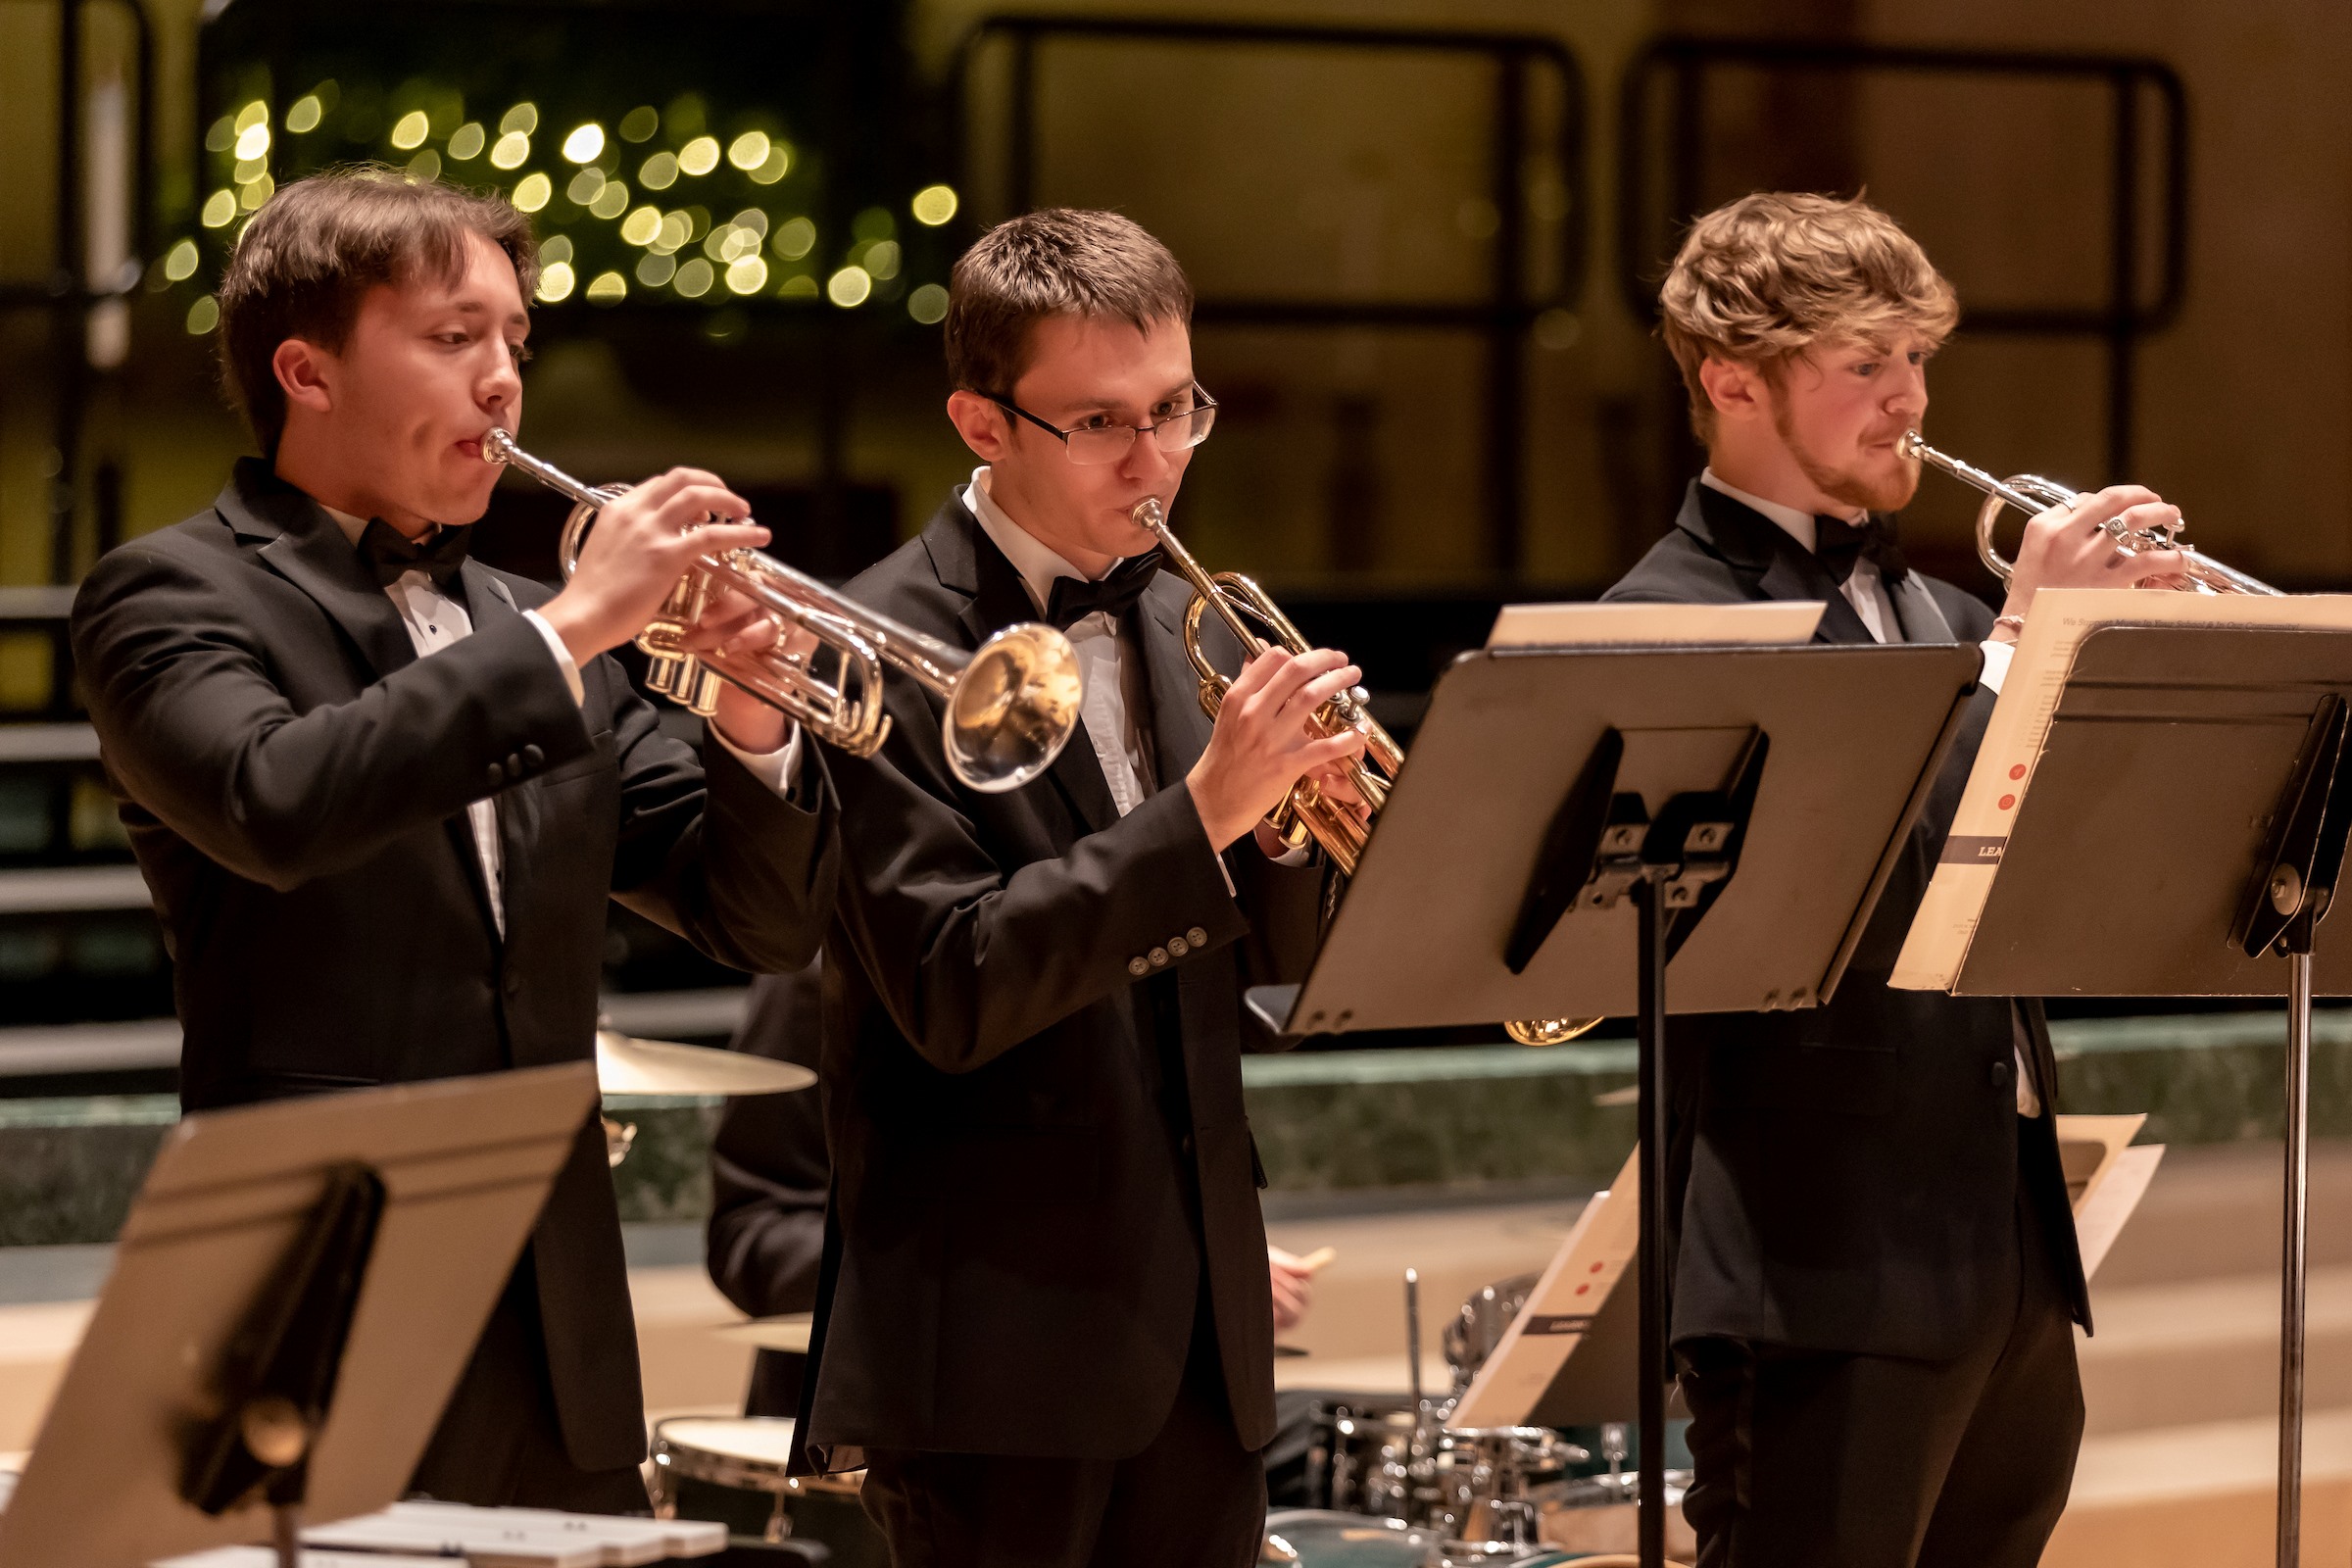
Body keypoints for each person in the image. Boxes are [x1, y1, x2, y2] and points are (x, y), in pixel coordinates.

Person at [69, 168, 839, 1513]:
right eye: (450, 337)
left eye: (514, 343)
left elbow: (762, 924)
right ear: (305, 371)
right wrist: (573, 632)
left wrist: (753, 719)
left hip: (560, 1339)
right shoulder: (168, 595)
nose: (502, 382)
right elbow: (278, 803)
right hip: (310, 1322)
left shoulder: (549, 632)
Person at [1602, 190, 2187, 1568]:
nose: (1910, 401)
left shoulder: (1939, 613)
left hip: (2003, 1265)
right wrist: (2028, 651)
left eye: (1918, 359)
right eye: (1865, 363)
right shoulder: (1667, 621)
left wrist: (2135, 695)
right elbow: (1849, 874)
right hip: (1818, 1277)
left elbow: (2045, 887)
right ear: (1734, 382)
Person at [791, 209, 1353, 1568]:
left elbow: (1251, 981)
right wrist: (1207, 810)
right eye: (1102, 423)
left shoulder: (1182, 615)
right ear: (984, 427)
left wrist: (1288, 828)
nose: (1156, 461)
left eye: (1177, 409)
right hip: (996, 1358)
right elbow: (956, 986)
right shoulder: (870, 644)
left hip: (1200, 1357)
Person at [705, 959, 1322, 1422]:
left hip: (1144, 1413)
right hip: (906, 1427)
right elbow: (753, 1235)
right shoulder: (833, 959)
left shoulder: (1135, 935)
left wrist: (1208, 1269)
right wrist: (1064, 1267)